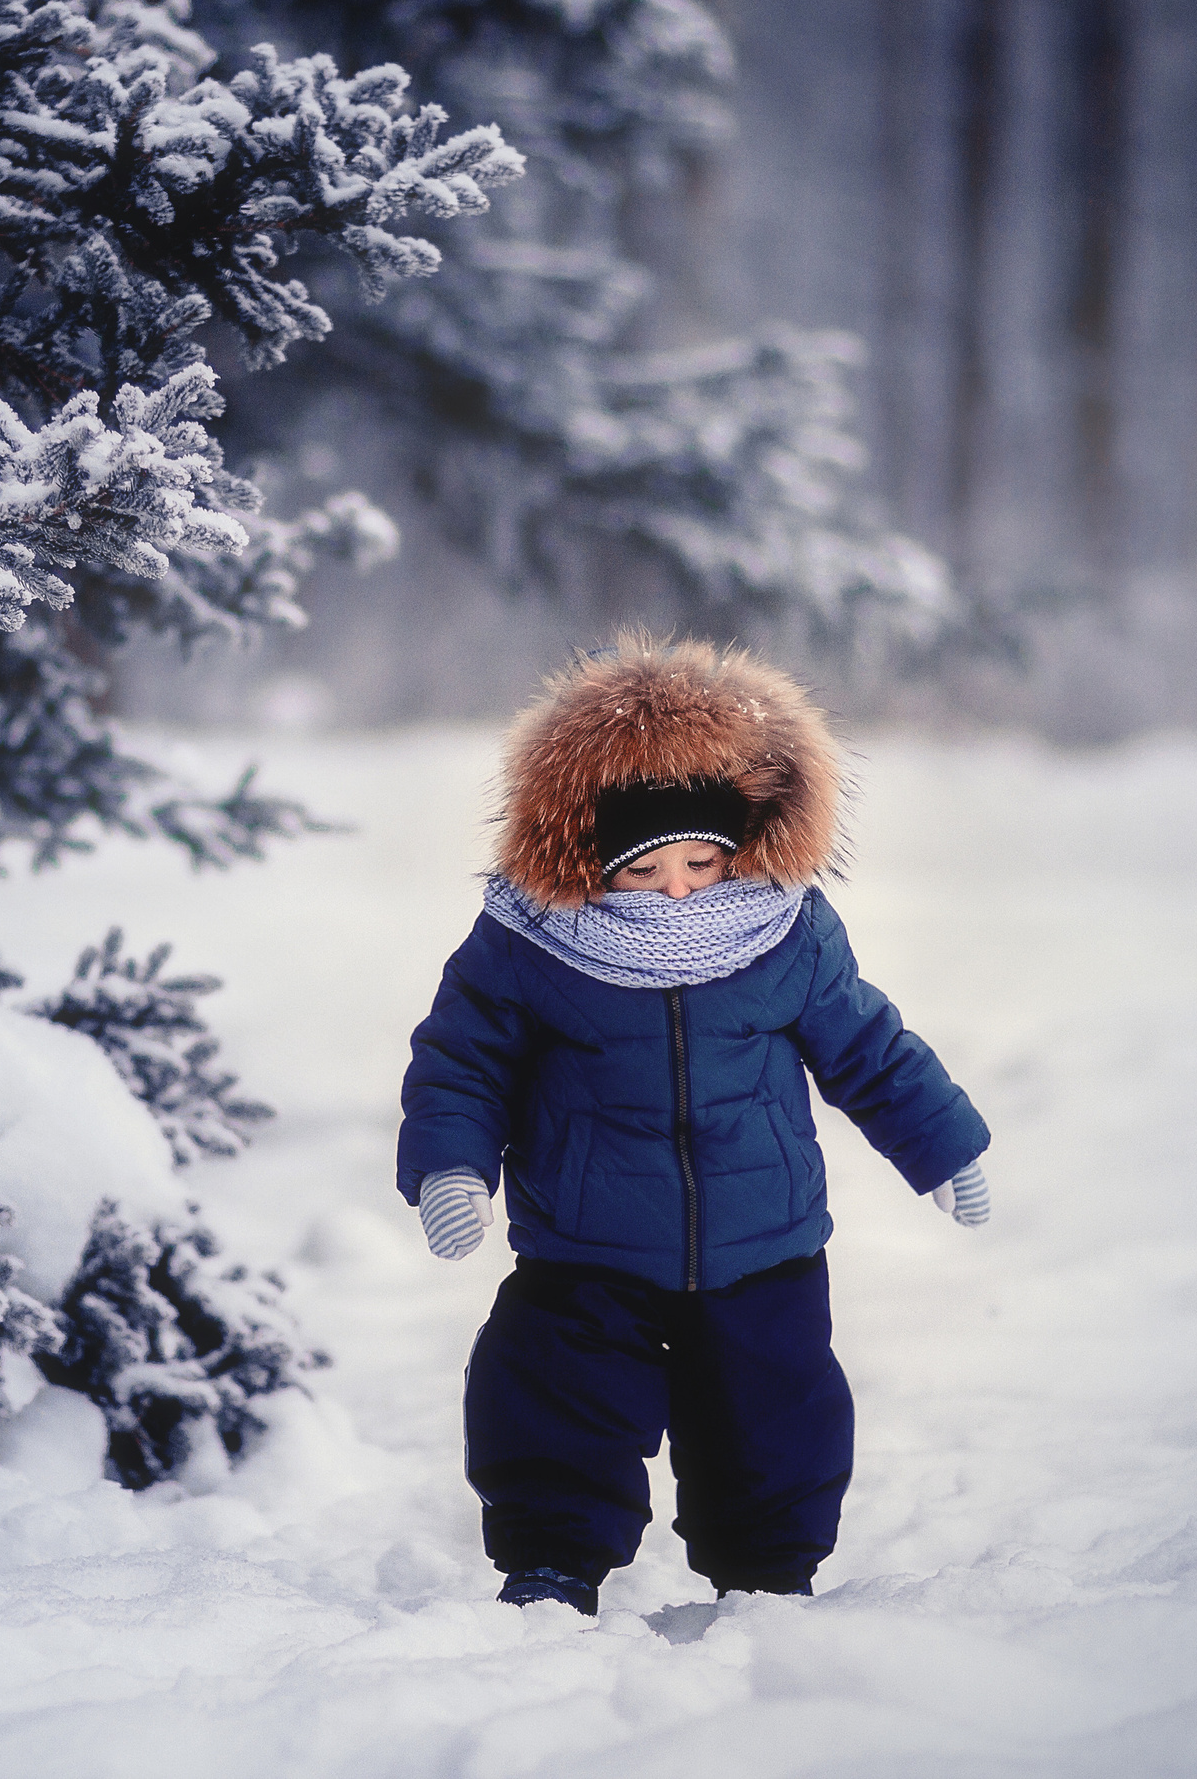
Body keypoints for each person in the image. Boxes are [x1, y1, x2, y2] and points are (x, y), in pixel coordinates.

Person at [398, 635, 992, 1616]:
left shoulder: (783, 929)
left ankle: (767, 1571)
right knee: (551, 1397)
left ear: (739, 846)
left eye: (700, 859)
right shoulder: (529, 943)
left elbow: (865, 1045)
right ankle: (550, 1561)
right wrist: (451, 1169)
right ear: (586, 856)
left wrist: (944, 1142)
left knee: (776, 1413)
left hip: (764, 1241)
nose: (678, 885)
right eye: (645, 868)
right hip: (586, 1243)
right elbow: (461, 1061)